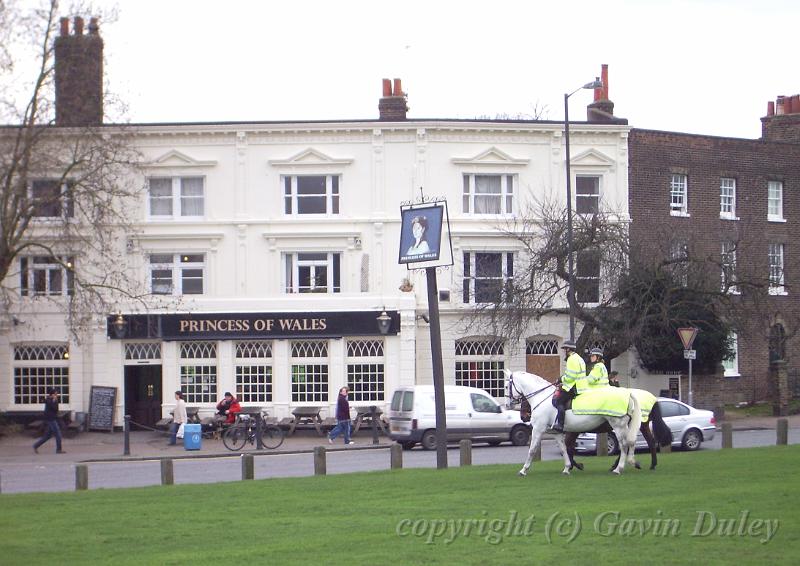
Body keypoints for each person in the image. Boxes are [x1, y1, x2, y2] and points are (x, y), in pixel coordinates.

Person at [552, 340, 587, 432]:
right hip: (581, 386)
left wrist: (561, 380)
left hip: (574, 387)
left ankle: (560, 424)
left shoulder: (571, 359)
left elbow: (571, 377)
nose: (564, 351)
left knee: (558, 401)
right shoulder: (579, 358)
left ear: (568, 349)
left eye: (564, 349)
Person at [33, 389, 65, 454]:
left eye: (56, 394)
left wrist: (55, 401)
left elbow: (56, 409)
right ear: (52, 394)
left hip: (52, 418)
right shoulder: (49, 400)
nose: (56, 395)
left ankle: (36, 445)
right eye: (55, 394)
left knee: (48, 436)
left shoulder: (53, 400)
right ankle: (58, 450)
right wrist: (54, 401)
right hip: (50, 419)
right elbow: (53, 408)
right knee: (58, 434)